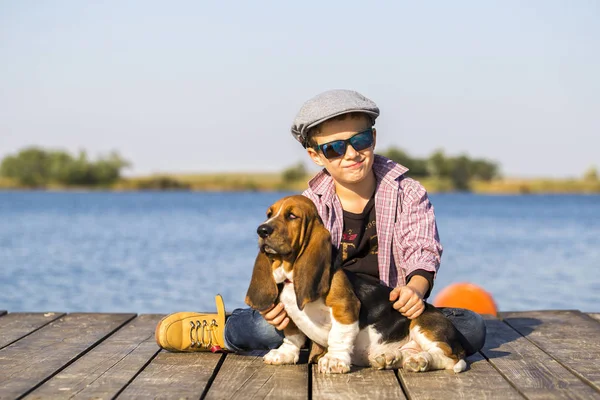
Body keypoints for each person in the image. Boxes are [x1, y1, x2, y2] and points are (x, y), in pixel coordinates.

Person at [155, 89, 486, 357]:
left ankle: (372, 350)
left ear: (373, 137)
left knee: (472, 326)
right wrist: (275, 305)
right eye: (334, 148)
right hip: (321, 312)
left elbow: (422, 248)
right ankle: (224, 329)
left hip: (386, 315)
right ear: (315, 155)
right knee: (264, 327)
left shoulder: (407, 192)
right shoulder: (306, 206)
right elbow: (279, 262)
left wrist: (415, 288)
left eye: (359, 141)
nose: (351, 154)